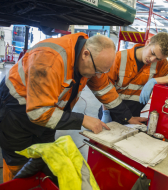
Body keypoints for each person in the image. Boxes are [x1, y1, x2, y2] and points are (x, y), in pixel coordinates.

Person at [0, 33, 147, 182]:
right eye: (97, 71)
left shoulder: (93, 60)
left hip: (49, 112)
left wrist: (127, 117)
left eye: (102, 72)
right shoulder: (49, 59)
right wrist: (82, 120)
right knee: (18, 165)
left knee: (45, 157)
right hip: (15, 113)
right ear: (85, 54)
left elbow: (104, 89)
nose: (98, 75)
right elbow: (38, 112)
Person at [100, 32, 168, 123]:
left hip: (133, 115)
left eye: (158, 58)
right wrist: (105, 113)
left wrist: (154, 81)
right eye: (152, 53)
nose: (152, 60)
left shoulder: (160, 63)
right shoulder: (120, 57)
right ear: (148, 42)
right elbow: (105, 87)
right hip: (111, 111)